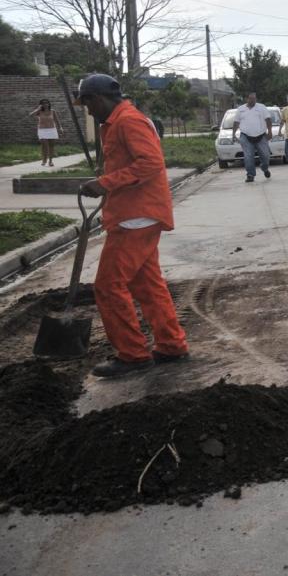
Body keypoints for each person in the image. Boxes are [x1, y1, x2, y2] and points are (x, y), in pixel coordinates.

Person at [74, 74, 189, 379]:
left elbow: (151, 163)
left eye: (86, 104)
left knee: (108, 286)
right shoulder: (118, 121)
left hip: (136, 218)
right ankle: (171, 345)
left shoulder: (128, 121)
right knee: (147, 285)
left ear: (96, 99)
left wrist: (105, 183)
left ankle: (133, 355)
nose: (87, 111)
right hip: (135, 213)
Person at [231, 93, 273, 183]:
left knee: (265, 156)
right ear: (246, 99)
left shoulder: (261, 107)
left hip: (261, 136)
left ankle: (264, 168)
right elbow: (236, 122)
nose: (253, 101)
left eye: (254, 99)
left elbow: (268, 120)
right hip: (245, 136)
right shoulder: (241, 109)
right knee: (248, 156)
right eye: (251, 99)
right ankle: (250, 174)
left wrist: (270, 131)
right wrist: (233, 134)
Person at [29, 98, 63, 166]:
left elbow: (57, 120)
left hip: (52, 130)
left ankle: (50, 161)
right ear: (41, 104)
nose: (45, 104)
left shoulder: (53, 111)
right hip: (42, 130)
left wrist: (60, 128)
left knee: (51, 146)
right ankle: (44, 160)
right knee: (44, 145)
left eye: (46, 103)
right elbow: (30, 115)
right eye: (43, 103)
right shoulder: (39, 112)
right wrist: (38, 109)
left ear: (49, 104)